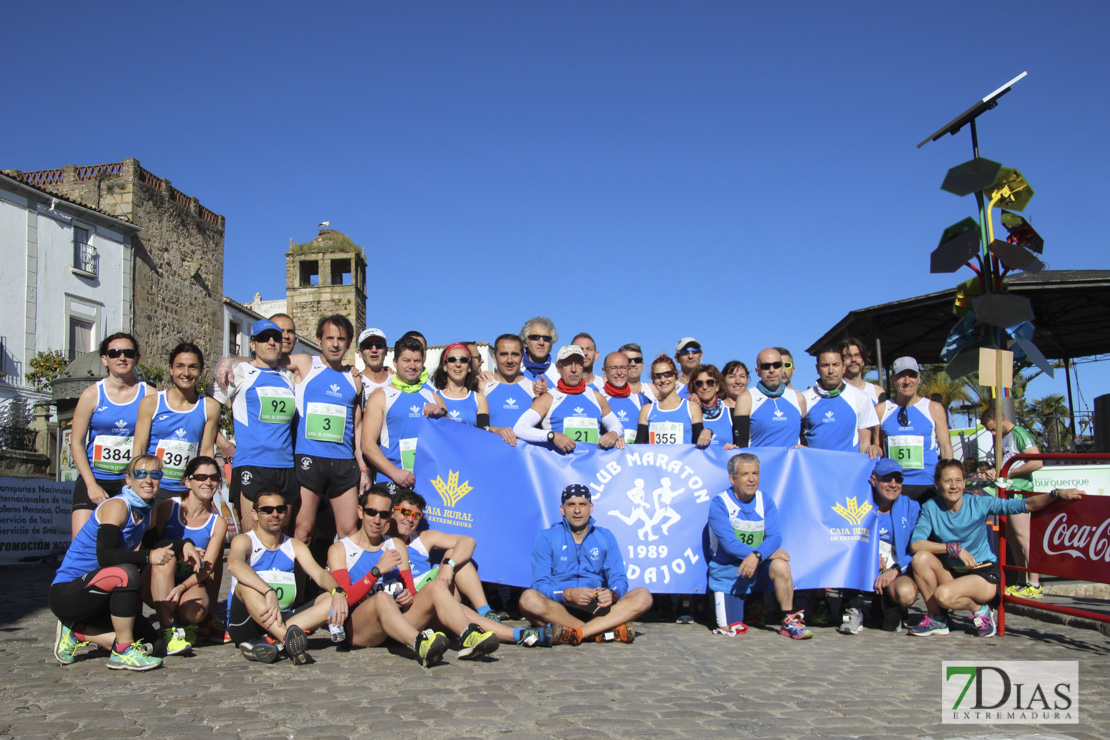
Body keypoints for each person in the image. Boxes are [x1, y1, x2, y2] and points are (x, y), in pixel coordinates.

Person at [326, 486, 517, 665]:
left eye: (383, 514)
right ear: (360, 512)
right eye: (371, 512)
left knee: (436, 587)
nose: (377, 519)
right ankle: (420, 643)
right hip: (362, 628)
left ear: (389, 516)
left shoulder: (396, 545)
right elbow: (344, 599)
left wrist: (407, 596)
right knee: (382, 599)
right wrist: (376, 572)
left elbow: (410, 591)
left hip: (396, 626)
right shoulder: (339, 549)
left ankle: (468, 636)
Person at [50, 455, 201, 671]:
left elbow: (155, 543)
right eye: (140, 474)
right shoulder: (118, 506)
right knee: (126, 573)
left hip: (103, 597)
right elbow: (105, 556)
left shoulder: (148, 509)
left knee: (154, 646)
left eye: (155, 474)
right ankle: (121, 651)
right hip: (68, 593)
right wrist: (148, 557)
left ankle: (77, 632)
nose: (148, 480)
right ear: (128, 480)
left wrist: (184, 544)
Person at [908, 459, 1082, 638]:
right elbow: (916, 544)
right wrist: (953, 548)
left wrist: (1056, 493)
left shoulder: (978, 503)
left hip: (982, 574)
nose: (953, 486)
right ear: (937, 484)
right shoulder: (931, 507)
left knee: (943, 595)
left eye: (958, 480)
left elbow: (1025, 505)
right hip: (953, 573)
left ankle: (981, 610)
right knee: (920, 558)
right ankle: (937, 619)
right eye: (947, 481)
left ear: (964, 482)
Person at [387, 488, 558, 647]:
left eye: (416, 515)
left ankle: (486, 611)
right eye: (405, 512)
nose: (410, 519)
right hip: (410, 612)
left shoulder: (423, 538)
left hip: (436, 601)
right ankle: (519, 634)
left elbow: (468, 542)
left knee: (455, 556)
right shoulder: (381, 541)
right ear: (392, 512)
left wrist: (448, 565)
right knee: (459, 609)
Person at [225, 490, 349, 665]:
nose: (274, 514)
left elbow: (319, 573)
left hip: (283, 619)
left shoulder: (294, 545)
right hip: (247, 622)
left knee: (329, 598)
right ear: (254, 514)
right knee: (245, 586)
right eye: (267, 510)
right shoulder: (245, 541)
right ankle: (287, 640)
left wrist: (337, 592)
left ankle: (273, 642)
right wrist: (268, 591)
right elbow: (234, 565)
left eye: (280, 509)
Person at [519, 484, 652, 644]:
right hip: (558, 608)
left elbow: (619, 579)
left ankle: (578, 633)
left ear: (591, 508)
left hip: (597, 609)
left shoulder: (605, 536)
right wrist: (567, 594)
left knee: (643, 596)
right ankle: (599, 633)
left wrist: (612, 594)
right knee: (528, 599)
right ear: (562, 509)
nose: (577, 511)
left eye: (582, 504)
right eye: (571, 505)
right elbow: (540, 585)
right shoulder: (546, 537)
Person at [706, 453, 811, 639]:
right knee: (730, 629)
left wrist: (757, 556)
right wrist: (765, 554)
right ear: (732, 478)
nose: (752, 479)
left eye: (755, 473)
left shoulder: (765, 501)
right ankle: (749, 608)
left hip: (758, 567)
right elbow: (731, 546)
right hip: (729, 573)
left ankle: (788, 620)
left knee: (781, 566)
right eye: (745, 474)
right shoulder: (720, 503)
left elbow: (775, 537)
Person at [216, 319, 299, 533]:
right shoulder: (240, 371)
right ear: (252, 344)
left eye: (276, 338)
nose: (271, 342)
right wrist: (222, 443)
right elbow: (206, 409)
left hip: (285, 466)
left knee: (280, 535)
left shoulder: (288, 376)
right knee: (252, 536)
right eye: (263, 338)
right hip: (252, 463)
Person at [69, 333, 155, 538]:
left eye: (128, 353)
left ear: (137, 358)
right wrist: (91, 484)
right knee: (82, 543)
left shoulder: (150, 394)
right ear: (104, 359)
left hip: (129, 482)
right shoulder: (92, 394)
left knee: (124, 545)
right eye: (115, 353)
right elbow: (77, 442)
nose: (122, 358)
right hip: (95, 477)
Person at [145, 456, 228, 652]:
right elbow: (149, 547)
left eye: (214, 477)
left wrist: (182, 588)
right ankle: (167, 630)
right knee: (166, 558)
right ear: (187, 481)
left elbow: (207, 568)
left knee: (195, 612)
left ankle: (192, 622)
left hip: (186, 582)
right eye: (201, 477)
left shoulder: (218, 523)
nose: (208, 482)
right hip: (155, 579)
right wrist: (180, 551)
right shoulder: (168, 507)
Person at [838, 459, 920, 635]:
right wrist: (869, 555)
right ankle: (852, 608)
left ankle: (888, 603)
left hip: (895, 570)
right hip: (862, 568)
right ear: (874, 480)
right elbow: (842, 540)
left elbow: (917, 549)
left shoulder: (911, 507)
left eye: (898, 479)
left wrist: (896, 570)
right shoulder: (857, 503)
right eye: (887, 479)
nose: (893, 484)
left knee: (907, 594)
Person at [132, 342, 220, 501]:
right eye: (180, 366)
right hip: (154, 488)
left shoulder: (210, 407)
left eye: (192, 367)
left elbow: (206, 452)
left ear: (201, 370)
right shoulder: (151, 403)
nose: (186, 373)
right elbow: (139, 449)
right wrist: (136, 485)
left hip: (188, 491)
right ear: (171, 369)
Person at [361, 335, 447, 495]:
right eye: (406, 360)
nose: (412, 366)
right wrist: (395, 473)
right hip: (391, 480)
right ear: (395, 362)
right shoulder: (381, 397)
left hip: (428, 480)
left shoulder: (434, 397)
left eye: (417, 361)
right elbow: (367, 444)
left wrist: (441, 415)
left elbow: (450, 439)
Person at [981, 407, 1046, 599]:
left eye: (993, 429)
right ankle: (1021, 581)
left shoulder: (1018, 433)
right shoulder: (1002, 439)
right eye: (989, 431)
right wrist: (995, 471)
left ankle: (1035, 584)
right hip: (1006, 493)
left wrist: (1008, 473)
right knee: (1012, 538)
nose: (992, 434)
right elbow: (1007, 466)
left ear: (1001, 419)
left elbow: (1037, 461)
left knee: (1024, 537)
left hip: (1019, 493)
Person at [513, 345, 626, 452]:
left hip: (592, 468)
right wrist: (552, 436)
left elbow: (617, 426)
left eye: (578, 363)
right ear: (558, 367)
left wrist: (613, 434)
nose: (573, 369)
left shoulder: (596, 397)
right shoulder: (548, 399)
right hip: (561, 468)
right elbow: (519, 428)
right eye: (567, 364)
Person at [876, 357, 953, 502]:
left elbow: (945, 448)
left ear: (919, 379)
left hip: (927, 484)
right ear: (893, 379)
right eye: (901, 376)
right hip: (894, 485)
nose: (907, 381)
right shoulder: (881, 410)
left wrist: (949, 480)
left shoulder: (934, 408)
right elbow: (877, 448)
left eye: (911, 375)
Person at [801, 346, 880, 455]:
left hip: (848, 469)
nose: (831, 371)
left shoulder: (861, 398)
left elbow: (864, 445)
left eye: (836, 365)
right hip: (815, 469)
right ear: (817, 369)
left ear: (843, 368)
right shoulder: (804, 398)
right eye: (825, 365)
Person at [732, 348, 806, 448]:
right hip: (760, 462)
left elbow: (803, 438)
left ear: (783, 368)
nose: (771, 370)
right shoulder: (746, 399)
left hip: (791, 463)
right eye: (766, 366)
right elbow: (741, 445)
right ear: (757, 371)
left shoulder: (798, 398)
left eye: (776, 365)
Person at [635, 356, 711, 447]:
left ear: (675, 376)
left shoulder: (692, 407)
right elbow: (638, 447)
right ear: (653, 380)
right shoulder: (646, 410)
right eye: (657, 376)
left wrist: (708, 431)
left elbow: (699, 446)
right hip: (657, 461)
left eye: (667, 374)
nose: (663, 380)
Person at [482, 333, 535, 445]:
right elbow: (473, 426)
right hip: (492, 456)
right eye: (504, 354)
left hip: (525, 459)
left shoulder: (534, 389)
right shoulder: (483, 386)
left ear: (522, 357)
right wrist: (495, 429)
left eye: (515, 354)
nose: (509, 360)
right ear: (495, 357)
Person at [431, 343, 491, 431]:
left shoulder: (479, 399)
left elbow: (483, 435)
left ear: (469, 367)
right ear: (444, 367)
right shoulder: (432, 396)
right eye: (452, 360)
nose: (458, 364)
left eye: (463, 360)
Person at [600, 351, 649, 444]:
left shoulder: (642, 399)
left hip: (633, 457)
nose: (619, 373)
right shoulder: (596, 397)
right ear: (604, 371)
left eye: (623, 368)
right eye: (613, 368)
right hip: (605, 456)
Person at [688, 364, 734, 448]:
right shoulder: (688, 412)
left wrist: (733, 449)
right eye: (699, 383)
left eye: (710, 382)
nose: (705, 387)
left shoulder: (731, 413)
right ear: (694, 388)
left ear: (717, 386)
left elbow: (742, 447)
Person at [838, 337, 886, 404]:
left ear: (863, 361)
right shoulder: (836, 393)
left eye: (857, 355)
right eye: (847, 356)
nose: (853, 360)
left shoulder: (877, 392)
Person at [519, 316, 560, 394]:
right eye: (535, 337)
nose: (541, 343)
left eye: (546, 338)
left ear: (551, 344)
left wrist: (547, 392)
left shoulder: (558, 374)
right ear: (525, 342)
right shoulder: (515, 370)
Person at [356, 328, 392, 404]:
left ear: (386, 351)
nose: (374, 350)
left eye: (379, 345)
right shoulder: (354, 382)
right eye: (367, 345)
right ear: (360, 352)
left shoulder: (397, 380)